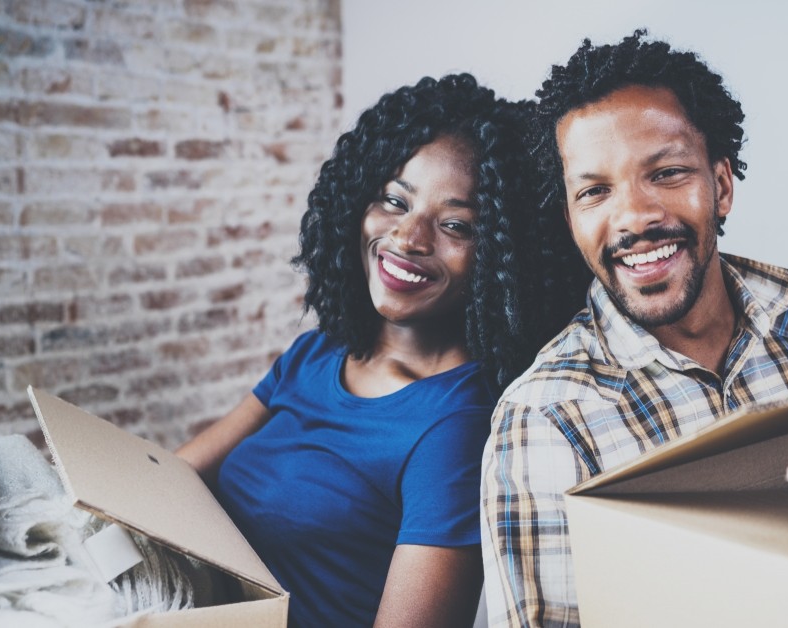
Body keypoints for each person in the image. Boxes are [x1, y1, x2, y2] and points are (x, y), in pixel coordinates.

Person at [480, 31, 788, 627]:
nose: (634, 217)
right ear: (571, 219)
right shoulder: (545, 418)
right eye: (595, 191)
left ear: (721, 187)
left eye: (668, 173)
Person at [176, 74, 576, 628]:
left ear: (502, 258)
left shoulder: (455, 429)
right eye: (395, 200)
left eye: (455, 224)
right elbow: (177, 478)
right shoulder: (316, 354)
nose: (408, 238)